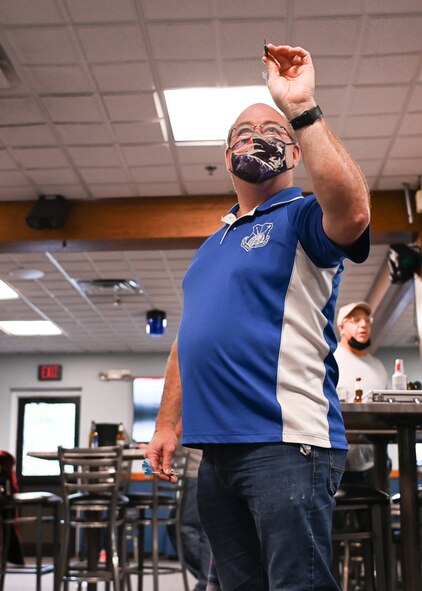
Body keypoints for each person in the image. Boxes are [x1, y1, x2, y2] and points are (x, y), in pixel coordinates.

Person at [145, 43, 371, 591]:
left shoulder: (302, 219)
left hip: (285, 445)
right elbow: (189, 338)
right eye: (243, 134)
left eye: (273, 134)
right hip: (215, 454)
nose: (256, 138)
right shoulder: (209, 246)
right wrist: (167, 423)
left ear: (294, 154)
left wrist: (301, 109)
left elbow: (354, 211)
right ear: (227, 159)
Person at [334, 301, 388, 486]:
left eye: (367, 320)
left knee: (376, 513)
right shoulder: (332, 362)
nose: (363, 325)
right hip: (337, 464)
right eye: (355, 320)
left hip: (374, 462)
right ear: (341, 327)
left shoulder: (378, 367)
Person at [167, 421, 212, 591]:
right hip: (192, 473)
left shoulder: (183, 403)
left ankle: (207, 581)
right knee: (178, 528)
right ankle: (211, 578)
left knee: (186, 529)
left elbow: (175, 431)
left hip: (195, 472)